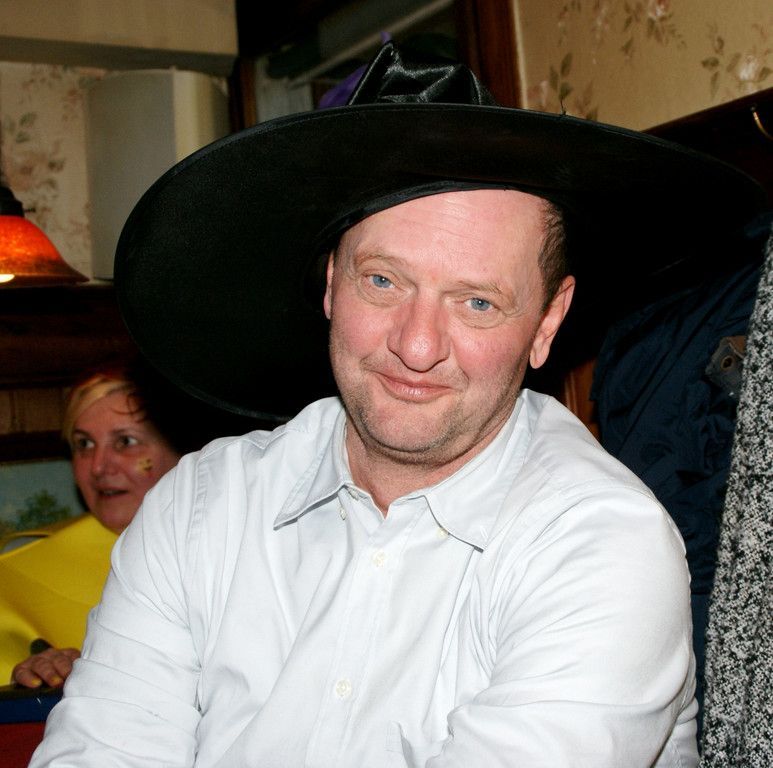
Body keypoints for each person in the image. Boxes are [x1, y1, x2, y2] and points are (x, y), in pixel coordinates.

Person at [29, 43, 767, 767]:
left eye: (476, 302)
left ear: (547, 322)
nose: (416, 346)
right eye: (383, 282)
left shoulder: (601, 544)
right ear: (331, 284)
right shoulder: (200, 507)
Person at [1, 367, 182, 689]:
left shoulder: (238, 547)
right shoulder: (14, 569)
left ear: (184, 452)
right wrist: (34, 680)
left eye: (125, 441)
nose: (98, 466)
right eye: (83, 444)